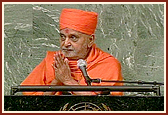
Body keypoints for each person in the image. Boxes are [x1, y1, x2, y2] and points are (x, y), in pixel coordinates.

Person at [21, 8, 123, 95]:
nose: (65, 43)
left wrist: (68, 81)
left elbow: (104, 106)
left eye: (73, 37)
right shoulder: (53, 61)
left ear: (90, 40)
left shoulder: (108, 65)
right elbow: (33, 102)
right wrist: (56, 82)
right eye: (62, 37)